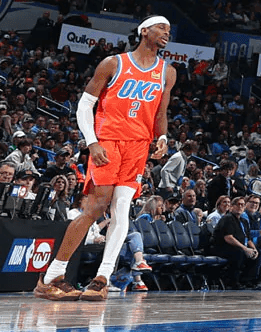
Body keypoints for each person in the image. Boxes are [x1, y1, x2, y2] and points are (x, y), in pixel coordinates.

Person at [36, 16, 175, 302]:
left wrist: (162, 138)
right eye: (162, 28)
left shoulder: (167, 72)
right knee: (95, 208)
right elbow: (85, 105)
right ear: (144, 31)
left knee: (122, 209)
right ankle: (51, 276)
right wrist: (92, 141)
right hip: (109, 141)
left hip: (138, 146)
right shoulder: (114, 63)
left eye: (169, 31)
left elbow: (161, 113)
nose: (166, 33)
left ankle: (102, 278)